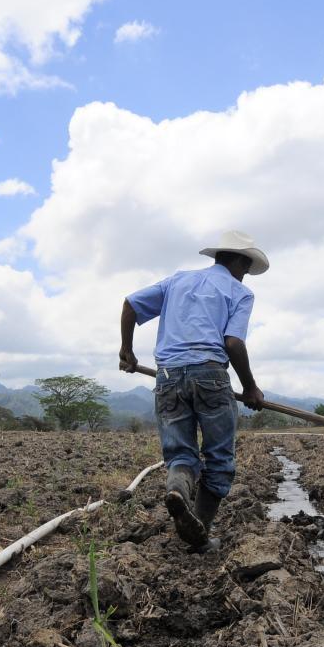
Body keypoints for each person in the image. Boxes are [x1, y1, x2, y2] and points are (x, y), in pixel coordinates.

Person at [120, 231, 268, 551]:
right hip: (210, 375)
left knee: (181, 455)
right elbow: (232, 342)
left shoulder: (177, 281)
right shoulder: (240, 292)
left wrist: (127, 351)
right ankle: (199, 534)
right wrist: (250, 387)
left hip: (168, 377)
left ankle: (178, 489)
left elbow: (131, 304)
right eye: (246, 265)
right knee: (218, 460)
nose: (245, 272)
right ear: (239, 260)